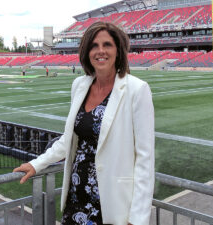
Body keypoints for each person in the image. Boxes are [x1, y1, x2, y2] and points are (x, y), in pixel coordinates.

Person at [14, 21, 155, 225]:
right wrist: (36, 164)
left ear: (118, 51)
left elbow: (145, 159)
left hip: (112, 202)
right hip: (77, 193)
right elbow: (68, 140)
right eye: (94, 46)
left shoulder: (137, 89)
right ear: (87, 52)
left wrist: (137, 219)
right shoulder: (80, 85)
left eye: (107, 44)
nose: (100, 51)